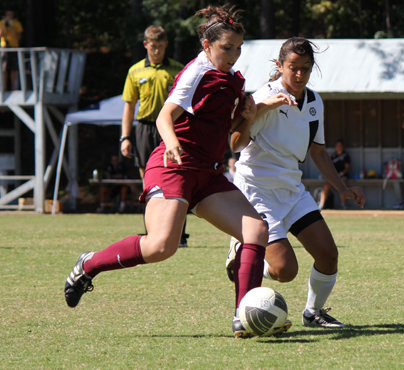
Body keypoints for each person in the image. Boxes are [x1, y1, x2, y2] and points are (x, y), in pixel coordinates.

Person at [64, 5, 278, 339]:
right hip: (173, 167)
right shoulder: (196, 72)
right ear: (207, 47)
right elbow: (165, 116)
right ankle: (88, 264)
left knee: (256, 232)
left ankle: (244, 316)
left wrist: (253, 113)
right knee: (162, 247)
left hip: (207, 174)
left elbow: (232, 138)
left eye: (238, 48)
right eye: (226, 48)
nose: (234, 55)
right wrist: (173, 143)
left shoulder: (234, 80)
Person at [228, 37, 366, 328]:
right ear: (279, 66)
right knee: (284, 270)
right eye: (293, 67)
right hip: (257, 191)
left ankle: (313, 313)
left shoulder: (314, 101)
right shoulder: (264, 96)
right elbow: (235, 144)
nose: (300, 74)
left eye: (306, 67)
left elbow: (317, 150)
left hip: (291, 190)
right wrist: (263, 108)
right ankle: (244, 260)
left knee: (328, 255)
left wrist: (342, 188)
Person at [119, 25, 190, 247]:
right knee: (148, 181)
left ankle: (180, 235)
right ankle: (151, 232)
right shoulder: (135, 71)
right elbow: (129, 106)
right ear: (145, 45)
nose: (157, 50)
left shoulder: (178, 70)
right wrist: (125, 137)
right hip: (143, 129)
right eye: (153, 46)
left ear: (166, 45)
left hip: (170, 128)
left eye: (160, 46)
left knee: (176, 179)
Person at [319, 139, 350, 209]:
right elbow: (328, 167)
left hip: (342, 176)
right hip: (334, 176)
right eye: (337, 145)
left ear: (342, 146)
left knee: (343, 185)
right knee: (326, 185)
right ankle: (321, 204)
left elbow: (347, 168)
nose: (338, 147)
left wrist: (341, 174)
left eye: (340, 145)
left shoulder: (345, 156)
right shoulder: (333, 156)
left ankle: (343, 204)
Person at [0, 10, 23, 90]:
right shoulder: (1, 22)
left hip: (14, 47)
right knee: (4, 68)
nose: (9, 16)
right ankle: (3, 88)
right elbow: (0, 35)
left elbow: (19, 37)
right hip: (4, 47)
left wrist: (11, 28)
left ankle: (14, 88)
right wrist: (3, 25)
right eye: (8, 14)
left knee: (14, 68)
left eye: (11, 14)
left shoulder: (16, 23)